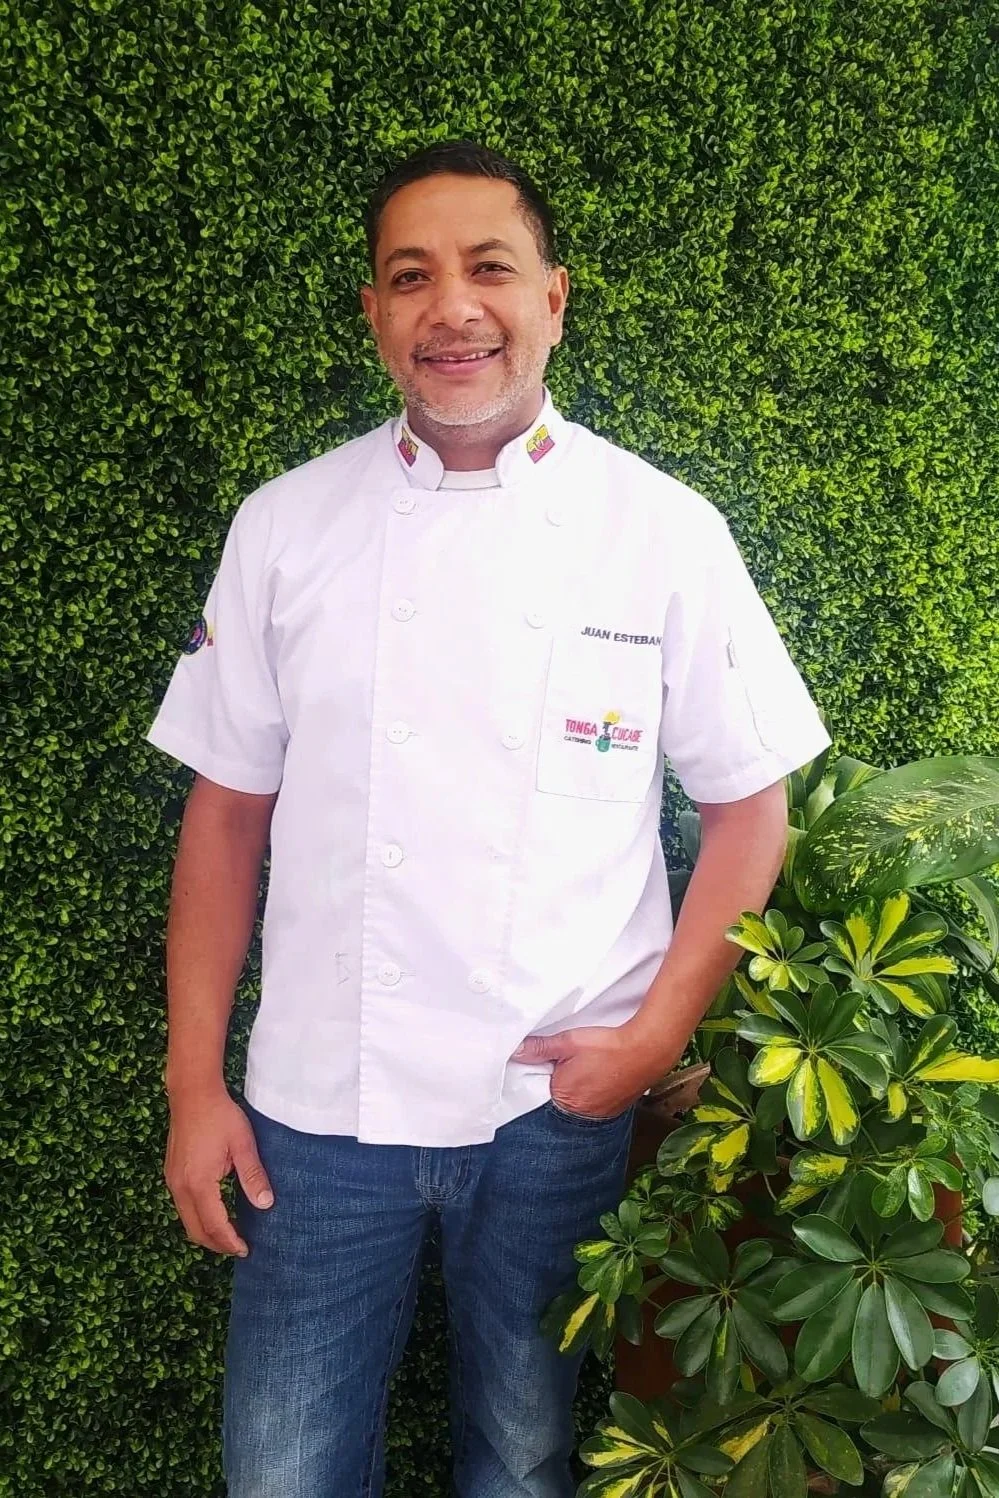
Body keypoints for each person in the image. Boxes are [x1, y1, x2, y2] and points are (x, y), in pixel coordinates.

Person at [147, 139, 832, 1498]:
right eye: (411, 277)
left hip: (550, 1106)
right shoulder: (284, 528)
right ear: (375, 315)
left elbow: (751, 814)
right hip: (315, 1111)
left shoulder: (661, 530)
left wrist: (649, 1042)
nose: (450, 306)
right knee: (280, 1470)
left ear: (554, 297)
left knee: (522, 1461)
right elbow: (223, 820)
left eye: (487, 268)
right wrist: (191, 1081)